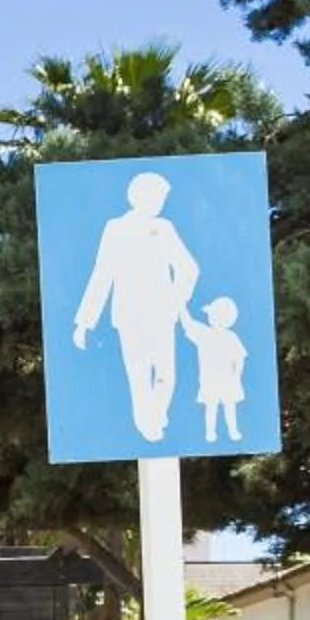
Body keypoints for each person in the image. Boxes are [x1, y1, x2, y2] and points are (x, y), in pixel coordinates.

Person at [70, 170, 200, 441]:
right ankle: (146, 423)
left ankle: (156, 415)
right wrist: (84, 322)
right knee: (139, 374)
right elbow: (102, 274)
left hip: (162, 315)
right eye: (159, 196)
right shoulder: (116, 228)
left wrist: (177, 299)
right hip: (129, 315)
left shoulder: (164, 228)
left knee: (166, 374)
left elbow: (189, 268)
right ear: (141, 196)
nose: (161, 202)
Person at [180, 294, 249, 444]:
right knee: (212, 407)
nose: (210, 318)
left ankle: (232, 431)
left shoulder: (230, 337)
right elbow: (188, 323)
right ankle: (210, 433)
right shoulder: (205, 333)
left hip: (226, 380)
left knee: (228, 407)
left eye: (212, 315)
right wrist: (181, 306)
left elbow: (240, 358)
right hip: (210, 380)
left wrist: (237, 375)